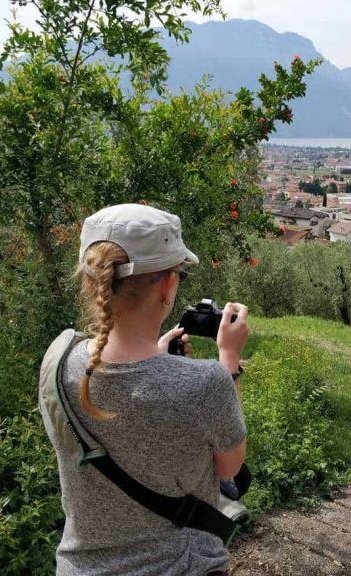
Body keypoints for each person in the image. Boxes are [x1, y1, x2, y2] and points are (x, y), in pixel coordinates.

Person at [39, 204, 249, 576]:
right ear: (168, 284)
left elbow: (129, 397)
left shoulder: (59, 361)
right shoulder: (205, 383)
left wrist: (157, 358)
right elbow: (229, 468)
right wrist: (228, 360)